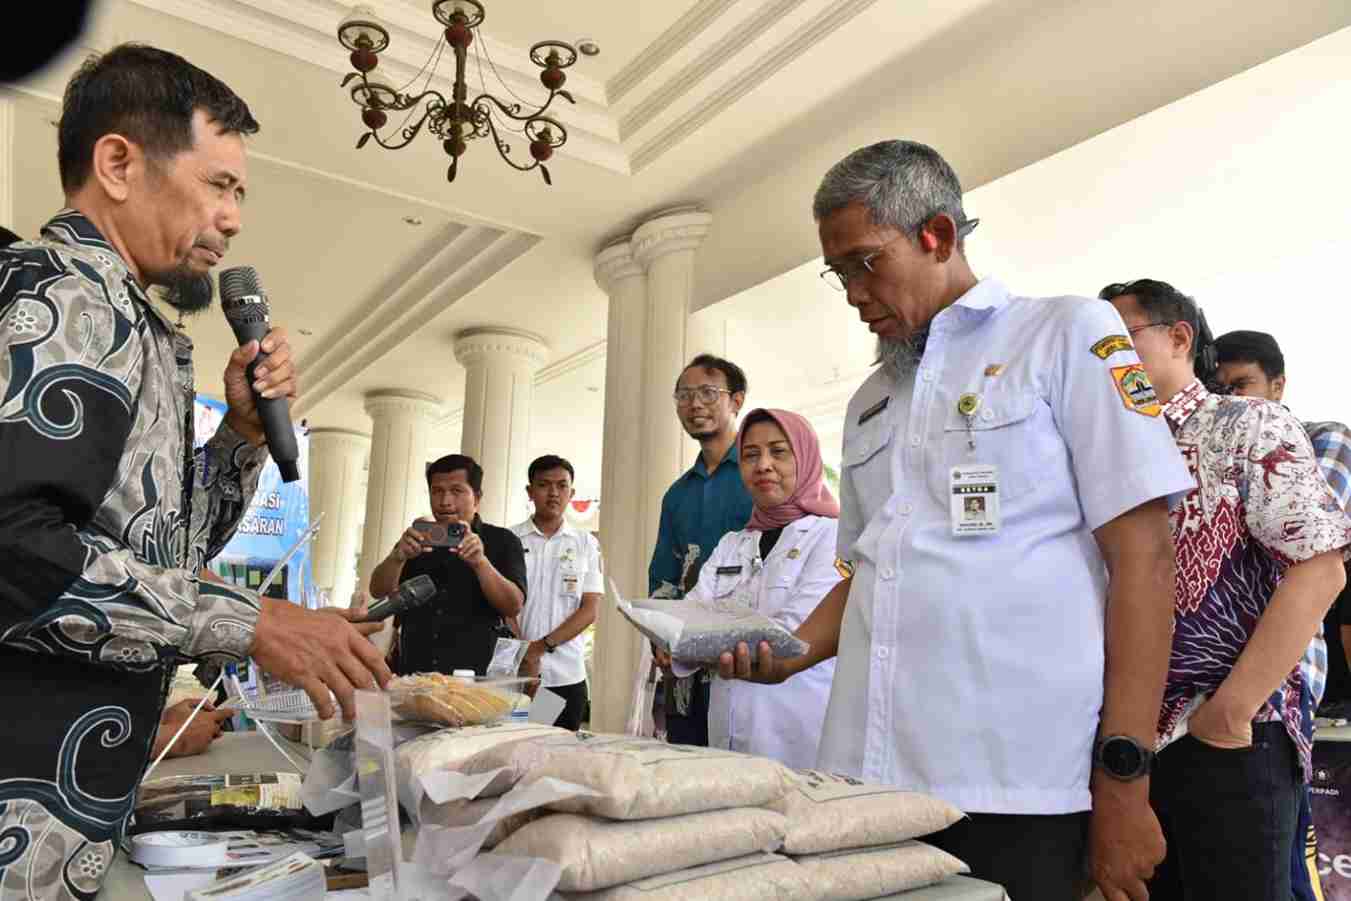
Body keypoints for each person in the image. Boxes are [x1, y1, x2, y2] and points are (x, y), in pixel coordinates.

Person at [718, 140, 1194, 900]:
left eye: (863, 262)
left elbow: (1145, 558)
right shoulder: (870, 400)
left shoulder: (1064, 334)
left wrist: (1124, 776)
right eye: (835, 271)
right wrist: (788, 654)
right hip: (864, 779)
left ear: (936, 234)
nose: (849, 290)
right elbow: (871, 566)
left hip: (1015, 782)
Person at [0, 44, 390, 900]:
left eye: (238, 193)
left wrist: (241, 440)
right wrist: (251, 621)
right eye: (219, 183)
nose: (234, 218)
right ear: (117, 165)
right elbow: (13, 549)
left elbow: (159, 550)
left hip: (72, 815)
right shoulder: (67, 291)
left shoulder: (132, 323)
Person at [1102, 280, 1351, 901]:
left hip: (1229, 735)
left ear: (1178, 337)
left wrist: (1232, 710)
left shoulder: (1244, 425)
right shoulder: (1107, 455)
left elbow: (1320, 568)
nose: (1103, 362)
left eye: (1116, 341)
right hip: (1129, 744)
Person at [1213, 328, 1351, 901]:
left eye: (1243, 385)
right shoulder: (1206, 446)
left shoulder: (1325, 438)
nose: (1234, 402)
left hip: (1275, 693)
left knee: (1283, 870)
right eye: (1220, 389)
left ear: (1279, 384)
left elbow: (1306, 546)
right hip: (1210, 687)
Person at [679, 409, 841, 769]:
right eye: (751, 455)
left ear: (807, 458)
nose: (763, 465)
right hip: (727, 734)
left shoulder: (832, 536)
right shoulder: (732, 544)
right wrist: (678, 634)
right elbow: (689, 615)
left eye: (779, 452)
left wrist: (699, 637)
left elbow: (789, 635)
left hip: (798, 735)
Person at [649, 353, 755, 746]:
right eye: (684, 395)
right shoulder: (677, 495)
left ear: (737, 400)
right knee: (687, 765)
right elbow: (663, 576)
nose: (694, 405)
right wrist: (659, 636)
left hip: (746, 660)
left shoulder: (761, 476)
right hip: (686, 666)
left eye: (708, 393)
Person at [372, 453, 527, 677]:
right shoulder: (417, 539)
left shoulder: (502, 540)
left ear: (477, 497)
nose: (445, 501)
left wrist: (481, 563)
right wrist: (397, 557)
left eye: (456, 491)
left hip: (475, 678)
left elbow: (513, 606)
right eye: (437, 491)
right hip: (416, 675)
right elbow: (379, 590)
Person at [511, 455, 603, 729]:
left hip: (564, 678)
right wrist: (523, 654)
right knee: (513, 753)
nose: (553, 493)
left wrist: (539, 648)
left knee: (556, 760)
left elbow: (589, 609)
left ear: (571, 493)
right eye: (544, 485)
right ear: (530, 491)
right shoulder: (510, 540)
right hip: (516, 677)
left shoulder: (585, 543)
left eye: (562, 486)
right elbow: (501, 604)